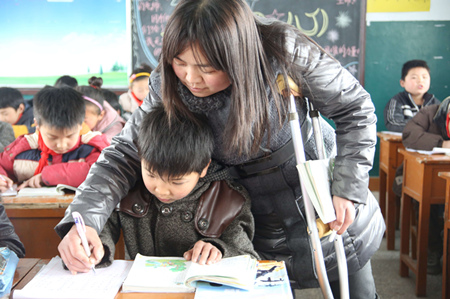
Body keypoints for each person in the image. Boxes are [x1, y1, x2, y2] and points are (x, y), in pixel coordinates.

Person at [56, 1, 384, 298]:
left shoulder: (282, 49)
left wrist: (348, 186)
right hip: (242, 210)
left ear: (237, 54)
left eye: (208, 68)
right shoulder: (166, 81)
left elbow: (355, 109)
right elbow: (125, 154)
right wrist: (83, 222)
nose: (190, 78)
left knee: (353, 285)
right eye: (179, 62)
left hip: (317, 194)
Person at [97, 105, 258, 269]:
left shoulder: (228, 200)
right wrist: (96, 246)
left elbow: (248, 258)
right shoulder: (128, 187)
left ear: (203, 167)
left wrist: (219, 250)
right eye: (151, 175)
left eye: (177, 182)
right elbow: (103, 224)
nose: (161, 190)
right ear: (140, 156)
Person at [0, 86, 109, 193]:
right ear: (37, 124)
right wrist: (2, 179)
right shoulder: (23, 147)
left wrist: (46, 176)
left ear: (81, 125)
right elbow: (2, 165)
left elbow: (101, 171)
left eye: (70, 136)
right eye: (52, 137)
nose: (61, 145)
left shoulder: (91, 147)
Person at [402, 96, 450, 274]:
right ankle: (433, 250)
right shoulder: (429, 113)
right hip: (419, 174)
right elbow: (409, 135)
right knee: (428, 201)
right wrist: (442, 143)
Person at [384, 60, 440, 133]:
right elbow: (393, 123)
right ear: (402, 83)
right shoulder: (397, 101)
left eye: (424, 77)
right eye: (414, 77)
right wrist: (422, 127)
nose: (420, 81)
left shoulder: (435, 103)